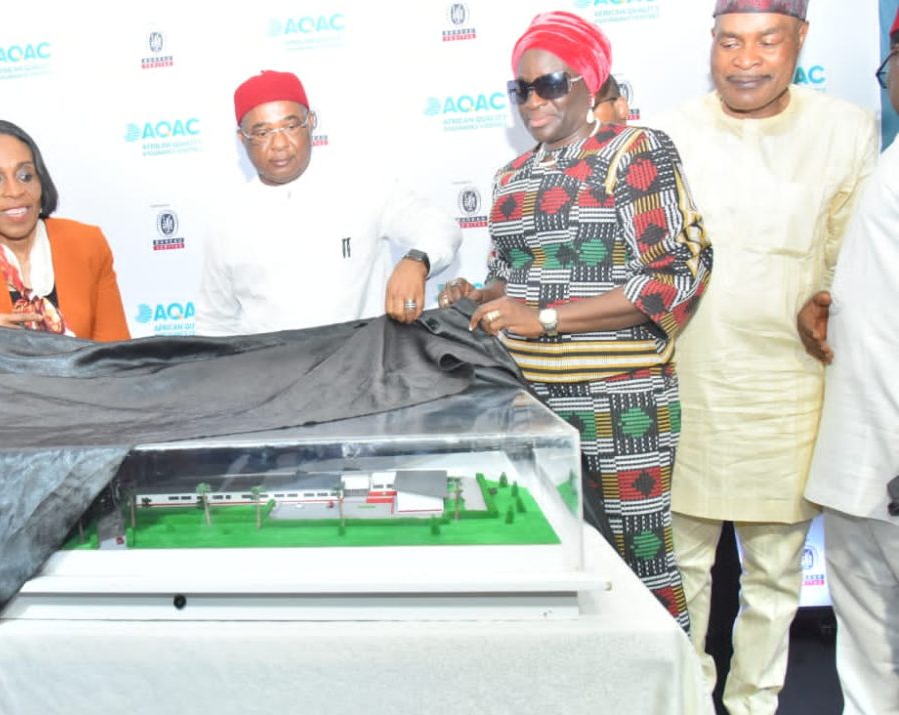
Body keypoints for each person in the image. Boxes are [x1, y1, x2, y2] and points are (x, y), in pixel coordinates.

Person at [439, 10, 712, 631]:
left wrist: (548, 317)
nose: (533, 100)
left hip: (624, 401)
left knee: (641, 561)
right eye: (522, 89)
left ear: (591, 83)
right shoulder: (510, 178)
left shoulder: (636, 151)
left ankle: (670, 693)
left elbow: (670, 277)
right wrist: (474, 294)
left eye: (551, 84)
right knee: (557, 559)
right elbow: (515, 280)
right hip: (534, 404)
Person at [657, 1, 877, 712]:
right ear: (711, 45)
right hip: (689, 378)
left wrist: (824, 298)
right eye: (729, 41)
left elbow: (853, 257)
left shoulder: (844, 129)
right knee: (682, 568)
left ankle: (755, 702)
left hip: (788, 382)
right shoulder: (670, 134)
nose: (745, 59)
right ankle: (687, 700)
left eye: (766, 41)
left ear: (801, 40)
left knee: (776, 577)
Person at [798, 12, 899, 713]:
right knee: (868, 664)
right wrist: (826, 301)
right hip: (863, 457)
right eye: (894, 55)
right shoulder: (888, 161)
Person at [196, 69, 462, 336]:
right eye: (263, 132)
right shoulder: (228, 221)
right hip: (273, 371)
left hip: (363, 367)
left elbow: (439, 227)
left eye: (290, 126)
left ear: (311, 122)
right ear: (243, 139)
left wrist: (417, 260)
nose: (279, 144)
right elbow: (216, 323)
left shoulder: (360, 187)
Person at [0, 120, 129, 340]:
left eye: (25, 176)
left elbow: (115, 353)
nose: (15, 191)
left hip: (86, 374)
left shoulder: (86, 243)